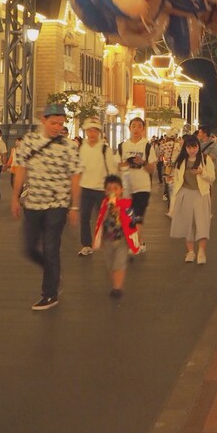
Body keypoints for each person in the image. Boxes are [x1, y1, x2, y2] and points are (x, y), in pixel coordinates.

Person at [11, 103, 82, 311]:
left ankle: (50, 294)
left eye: (61, 124)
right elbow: (21, 170)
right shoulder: (29, 142)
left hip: (57, 205)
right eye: (53, 123)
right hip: (33, 203)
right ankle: (53, 273)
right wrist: (15, 198)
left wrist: (74, 207)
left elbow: (75, 177)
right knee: (29, 248)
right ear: (43, 120)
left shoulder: (69, 147)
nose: (57, 127)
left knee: (51, 248)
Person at [169, 135, 215, 264]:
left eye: (194, 147)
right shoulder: (181, 160)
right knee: (187, 224)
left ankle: (201, 251)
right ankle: (190, 252)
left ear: (198, 146)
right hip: (185, 193)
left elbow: (212, 178)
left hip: (201, 194)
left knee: (202, 224)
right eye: (189, 147)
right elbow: (177, 177)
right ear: (185, 148)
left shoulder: (205, 159)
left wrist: (201, 173)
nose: (192, 150)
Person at [92, 174, 140, 298]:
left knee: (119, 264)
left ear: (121, 190)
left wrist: (121, 212)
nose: (112, 191)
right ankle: (115, 283)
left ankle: (117, 287)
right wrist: (98, 239)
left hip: (122, 240)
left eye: (115, 188)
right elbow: (100, 221)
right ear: (105, 191)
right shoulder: (104, 204)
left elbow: (132, 221)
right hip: (108, 240)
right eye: (109, 189)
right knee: (110, 264)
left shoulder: (127, 203)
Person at [78, 117, 118, 257]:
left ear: (99, 132)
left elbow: (112, 170)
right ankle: (86, 244)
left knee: (105, 218)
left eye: (95, 131)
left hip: (102, 189)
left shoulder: (105, 149)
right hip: (85, 187)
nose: (92, 133)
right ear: (86, 132)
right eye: (89, 130)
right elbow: (78, 169)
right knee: (84, 217)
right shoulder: (82, 148)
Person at [116, 117, 157, 253]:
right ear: (129, 128)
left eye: (139, 126)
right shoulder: (123, 146)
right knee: (129, 217)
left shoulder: (147, 146)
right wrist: (126, 163)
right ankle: (139, 241)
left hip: (142, 186)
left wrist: (143, 163)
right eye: (133, 126)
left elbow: (152, 169)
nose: (136, 129)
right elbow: (117, 166)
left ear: (143, 129)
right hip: (126, 187)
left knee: (138, 216)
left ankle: (135, 244)